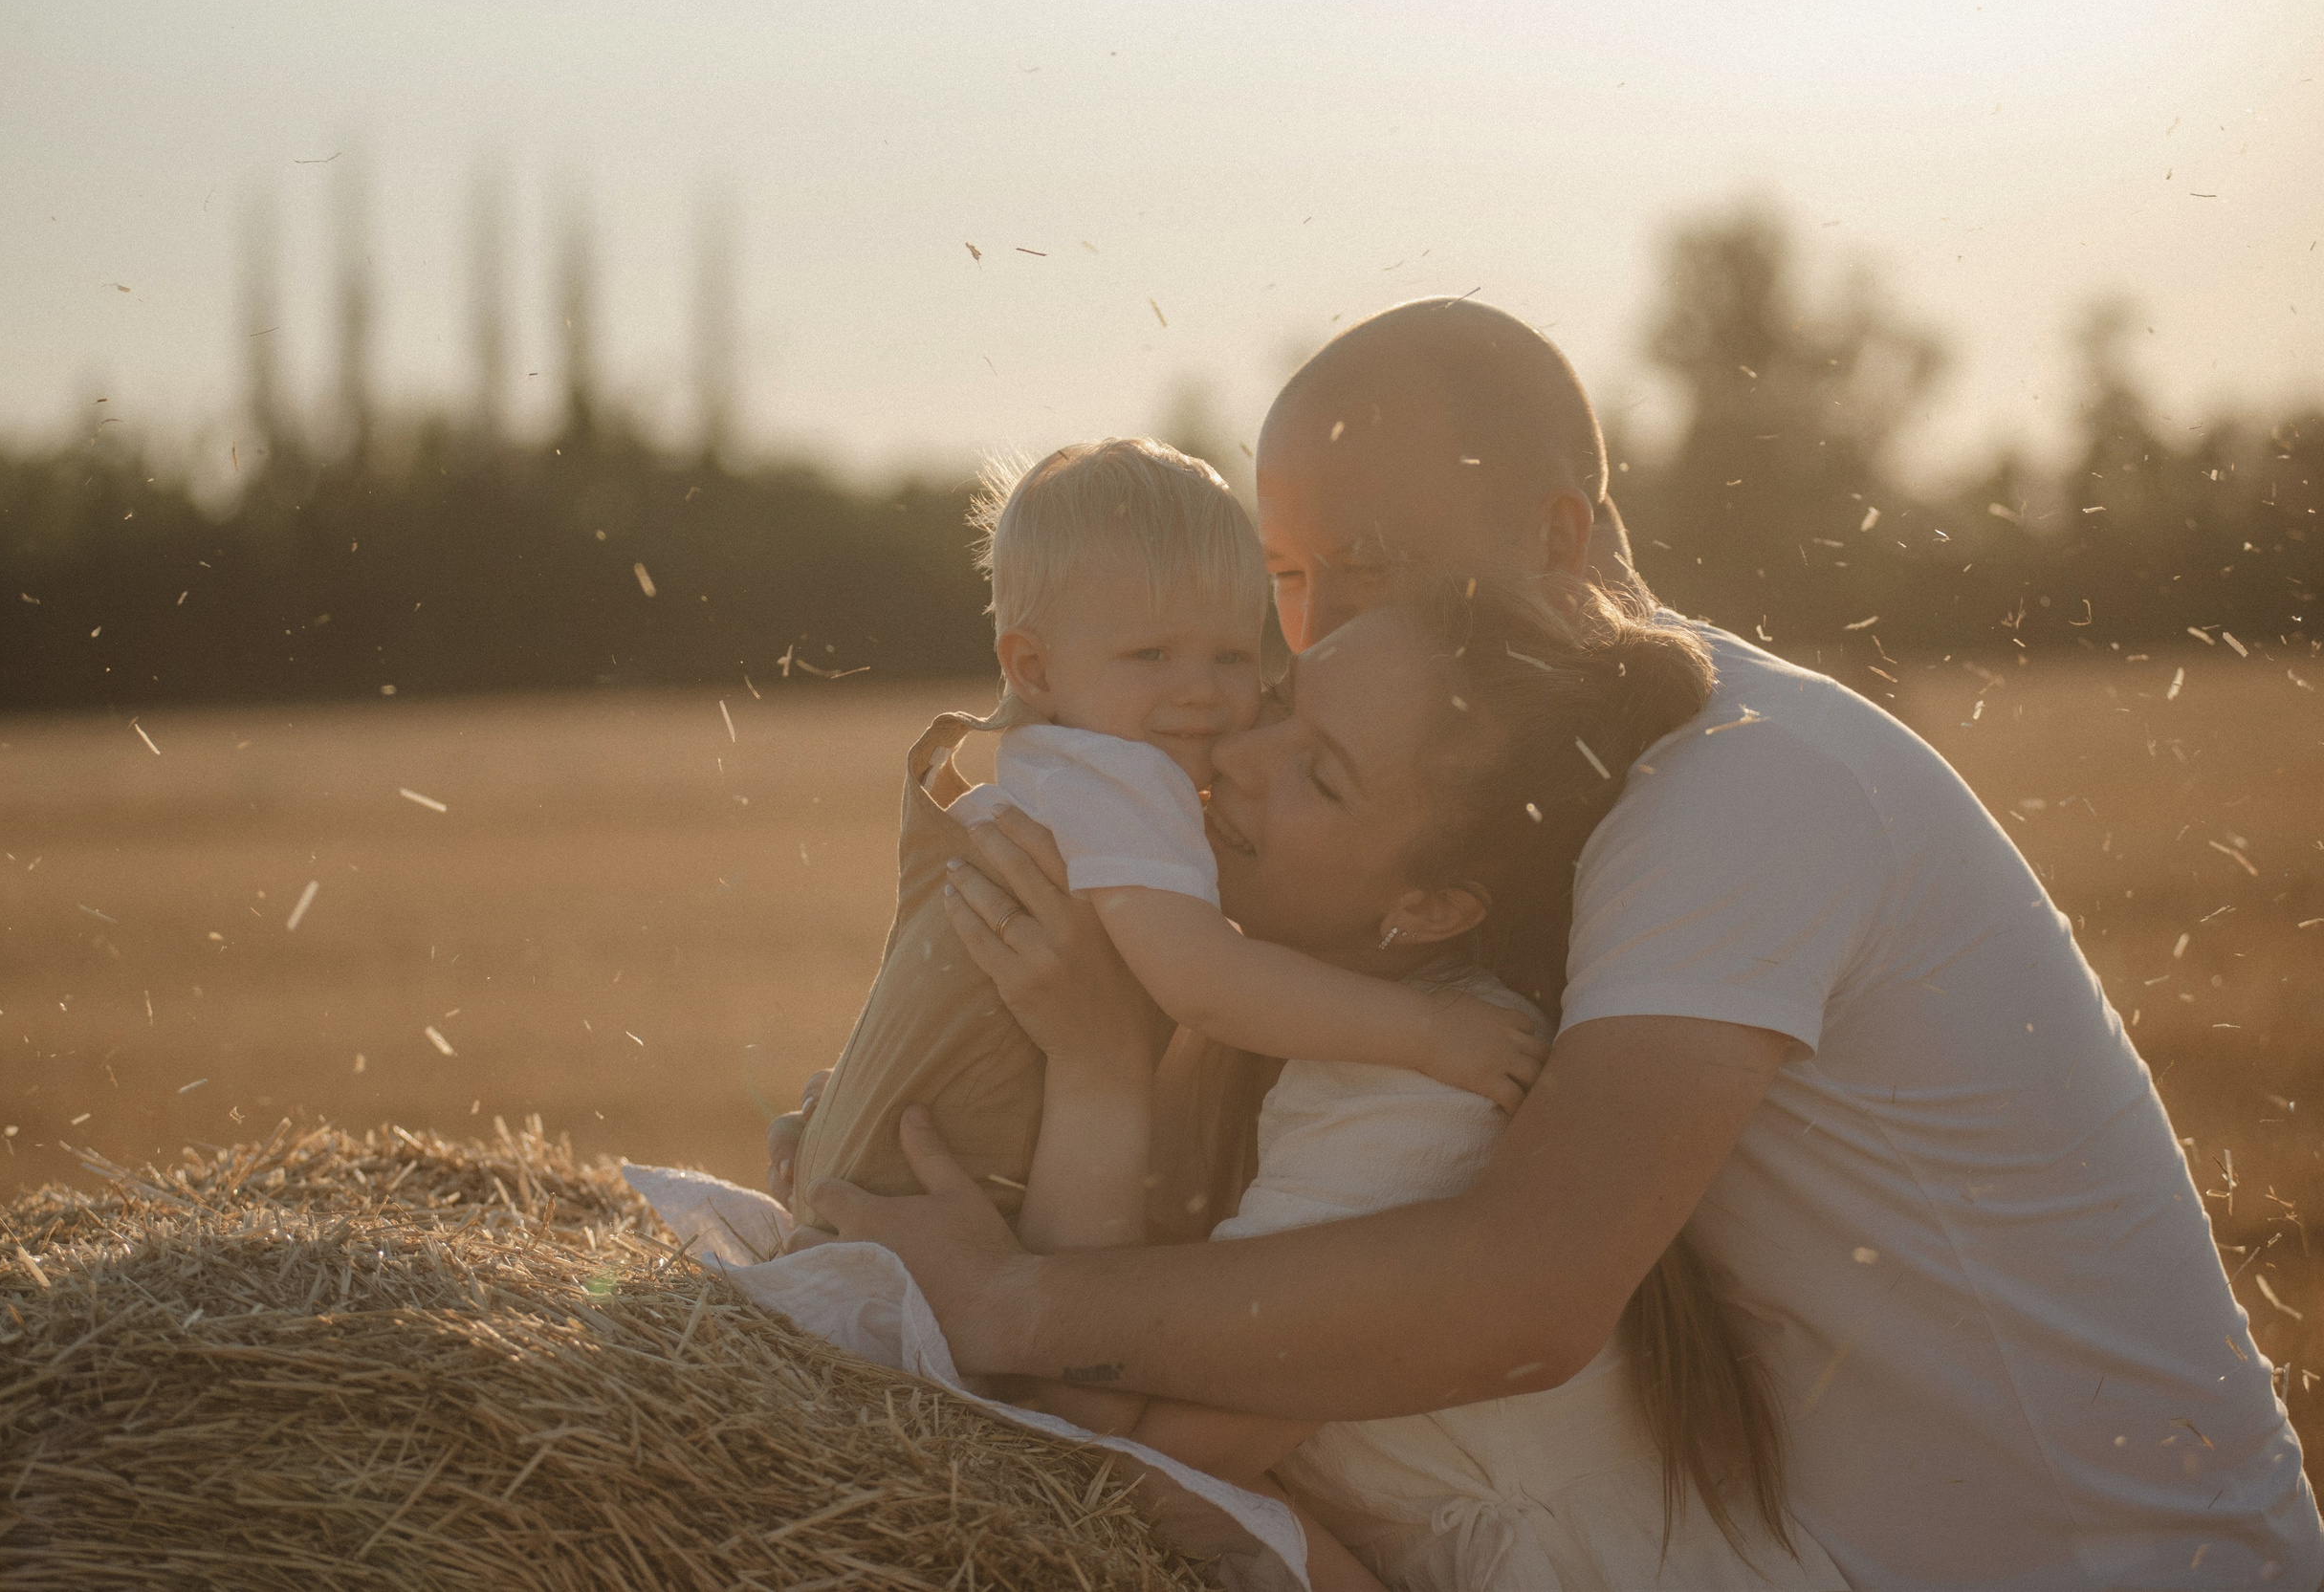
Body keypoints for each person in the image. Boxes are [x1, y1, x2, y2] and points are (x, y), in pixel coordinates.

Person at [786, 299, 2324, 1589]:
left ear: (1559, 534)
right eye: (1292, 581)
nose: (1317, 635)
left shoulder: (1734, 787)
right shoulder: (1522, 785)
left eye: (1369, 564)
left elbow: (1523, 1295)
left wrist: (1006, 1307)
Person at [998, 575, 1847, 1589]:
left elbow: (1119, 1459)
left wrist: (1096, 1073)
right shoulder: (1291, 1015)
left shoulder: (1421, 1099)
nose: (1233, 755)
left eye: (1321, 777)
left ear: (1434, 907)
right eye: (1280, 700)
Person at [790, 434, 1536, 1253]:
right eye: (1151, 654)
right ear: (1033, 669)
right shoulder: (1121, 782)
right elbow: (1205, 981)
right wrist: (1429, 1031)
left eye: (1232, 655)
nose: (1202, 691)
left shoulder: (1057, 763)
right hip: (923, 1217)